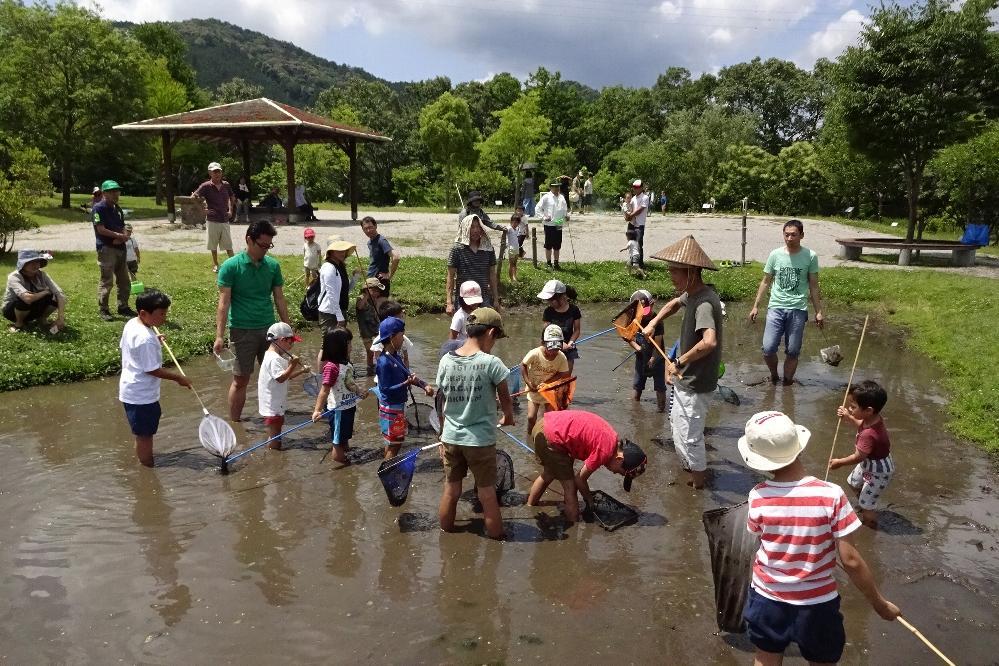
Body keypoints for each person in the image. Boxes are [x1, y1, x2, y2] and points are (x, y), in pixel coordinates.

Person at [737, 410, 901, 665]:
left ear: (758, 460)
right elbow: (851, 560)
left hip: (767, 599)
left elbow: (762, 540)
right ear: (799, 448)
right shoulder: (832, 495)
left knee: (765, 658)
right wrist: (879, 604)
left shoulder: (757, 495)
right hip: (816, 605)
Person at [642, 235, 722, 489]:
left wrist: (678, 360)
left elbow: (709, 342)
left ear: (691, 272)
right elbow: (675, 304)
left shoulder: (705, 303)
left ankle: (699, 486)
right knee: (677, 427)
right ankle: (692, 471)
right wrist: (654, 322)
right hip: (684, 378)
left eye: (674, 271)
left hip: (696, 382)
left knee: (690, 437)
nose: (671, 276)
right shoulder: (692, 294)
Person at [435, 307, 514, 540]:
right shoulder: (492, 363)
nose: (495, 343)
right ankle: (498, 538)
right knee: (487, 493)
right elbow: (505, 397)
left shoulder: (446, 361)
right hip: (479, 440)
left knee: (452, 489)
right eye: (497, 338)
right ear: (490, 333)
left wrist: (441, 434)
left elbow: (441, 399)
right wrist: (508, 417)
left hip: (450, 437)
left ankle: (445, 534)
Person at [214, 220, 292, 422]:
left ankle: (274, 417)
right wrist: (219, 336)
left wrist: (287, 329)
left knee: (277, 376)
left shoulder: (273, 266)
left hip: (270, 330)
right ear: (249, 240)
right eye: (262, 245)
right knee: (241, 380)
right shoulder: (231, 267)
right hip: (242, 330)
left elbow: (279, 298)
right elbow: (223, 303)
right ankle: (235, 424)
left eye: (269, 246)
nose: (266, 250)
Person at [528, 410, 647, 522]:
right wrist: (589, 499)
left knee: (549, 474)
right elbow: (579, 479)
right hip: (552, 437)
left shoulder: (612, 438)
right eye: (620, 472)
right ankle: (574, 527)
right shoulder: (605, 451)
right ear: (619, 459)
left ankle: (530, 506)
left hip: (546, 425)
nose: (615, 473)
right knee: (571, 487)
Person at [118, 289, 192, 466]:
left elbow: (130, 347)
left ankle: (144, 461)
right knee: (145, 435)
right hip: (141, 395)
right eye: (161, 314)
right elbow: (152, 370)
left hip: (131, 390)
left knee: (143, 433)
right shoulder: (145, 338)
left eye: (165, 313)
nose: (164, 318)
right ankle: (147, 467)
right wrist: (178, 378)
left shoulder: (133, 324)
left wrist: (154, 337)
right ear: (143, 313)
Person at [749, 219, 825, 386]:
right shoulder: (775, 255)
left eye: (794, 235)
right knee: (768, 348)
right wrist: (756, 306)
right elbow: (766, 281)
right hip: (776, 306)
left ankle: (788, 383)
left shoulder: (810, 256)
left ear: (802, 235)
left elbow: (813, 285)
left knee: (793, 350)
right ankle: (774, 376)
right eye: (787, 235)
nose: (790, 238)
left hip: (798, 308)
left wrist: (818, 311)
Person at [829, 380, 895, 528]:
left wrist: (839, 462)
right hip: (869, 464)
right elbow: (861, 424)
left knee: (867, 505)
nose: (849, 409)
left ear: (869, 410)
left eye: (853, 407)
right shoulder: (872, 419)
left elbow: (858, 457)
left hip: (879, 471)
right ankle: (866, 500)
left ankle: (870, 523)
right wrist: (849, 417)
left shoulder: (869, 434)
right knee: (852, 482)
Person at [373, 317, 433, 459]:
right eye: (402, 336)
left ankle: (387, 465)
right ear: (392, 337)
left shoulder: (396, 357)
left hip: (398, 406)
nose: (403, 340)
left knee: (393, 442)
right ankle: (388, 470)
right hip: (391, 408)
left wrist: (424, 385)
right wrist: (404, 384)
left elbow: (408, 376)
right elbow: (385, 389)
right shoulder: (383, 362)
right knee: (395, 444)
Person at [312, 327, 371, 464]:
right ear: (339, 347)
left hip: (349, 406)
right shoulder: (331, 367)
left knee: (345, 435)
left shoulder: (347, 364)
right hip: (338, 409)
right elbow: (324, 390)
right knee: (337, 440)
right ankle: (341, 460)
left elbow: (350, 383)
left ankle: (346, 452)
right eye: (348, 343)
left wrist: (359, 392)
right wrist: (317, 410)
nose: (351, 346)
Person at [257, 322, 308, 450]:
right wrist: (292, 365)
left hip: (274, 403)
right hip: (272, 406)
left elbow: (287, 376)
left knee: (276, 432)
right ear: (282, 340)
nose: (292, 346)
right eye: (291, 342)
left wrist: (301, 371)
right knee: (275, 436)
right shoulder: (274, 359)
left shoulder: (273, 356)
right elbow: (281, 378)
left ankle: (274, 453)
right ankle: (273, 456)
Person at [91, 179, 136, 321]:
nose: (116, 194)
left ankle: (123, 306)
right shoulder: (98, 208)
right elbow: (100, 229)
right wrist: (117, 236)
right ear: (104, 193)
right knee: (107, 280)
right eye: (111, 191)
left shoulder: (117, 208)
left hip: (120, 248)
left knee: (124, 280)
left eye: (117, 191)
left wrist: (125, 234)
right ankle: (104, 309)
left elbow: (122, 225)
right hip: (106, 249)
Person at [520, 324, 570, 436]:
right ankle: (530, 436)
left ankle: (546, 438)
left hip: (549, 391)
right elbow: (523, 365)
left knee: (548, 419)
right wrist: (528, 383)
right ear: (543, 343)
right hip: (534, 390)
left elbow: (563, 374)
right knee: (531, 417)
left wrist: (547, 383)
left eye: (556, 350)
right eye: (550, 349)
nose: (553, 353)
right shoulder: (535, 353)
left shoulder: (561, 357)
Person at [445, 214, 498, 314]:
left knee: (485, 326)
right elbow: (450, 276)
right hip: (464, 299)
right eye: (472, 227)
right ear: (465, 228)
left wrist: (496, 300)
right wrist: (449, 302)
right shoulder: (457, 249)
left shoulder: (488, 248)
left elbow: (492, 275)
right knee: (463, 327)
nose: (476, 230)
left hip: (483, 298)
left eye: (478, 227)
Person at [4, 250, 66, 334]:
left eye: (37, 261)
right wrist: (45, 292)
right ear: (22, 264)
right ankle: (19, 323)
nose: (35, 265)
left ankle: (41, 319)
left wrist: (60, 319)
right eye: (30, 262)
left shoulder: (42, 275)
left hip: (33, 306)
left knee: (54, 296)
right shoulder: (14, 277)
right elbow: (27, 298)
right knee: (24, 299)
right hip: (12, 311)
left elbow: (60, 294)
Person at [192, 162, 236, 273]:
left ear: (221, 172)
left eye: (219, 171)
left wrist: (230, 210)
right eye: (214, 171)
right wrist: (203, 210)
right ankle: (216, 264)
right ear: (210, 173)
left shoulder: (226, 185)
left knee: (228, 244)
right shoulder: (206, 186)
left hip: (224, 219)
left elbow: (232, 197)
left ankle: (234, 264)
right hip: (212, 219)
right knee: (213, 244)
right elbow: (193, 197)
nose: (217, 174)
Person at [629, 290, 667, 412]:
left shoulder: (656, 321)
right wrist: (637, 347)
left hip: (657, 357)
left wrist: (653, 358)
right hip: (641, 357)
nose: (645, 315)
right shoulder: (634, 320)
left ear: (652, 304)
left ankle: (661, 411)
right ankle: (635, 412)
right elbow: (628, 337)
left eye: (647, 310)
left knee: (660, 387)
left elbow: (658, 344)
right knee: (637, 386)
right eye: (641, 312)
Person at [317, 239, 361, 336]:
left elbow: (345, 290)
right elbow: (331, 293)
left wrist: (355, 277)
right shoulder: (329, 267)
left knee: (339, 344)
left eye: (344, 250)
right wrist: (339, 317)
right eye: (339, 250)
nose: (342, 253)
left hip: (340, 310)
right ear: (331, 252)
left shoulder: (340, 266)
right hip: (330, 312)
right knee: (327, 344)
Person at [539, 279, 581, 373]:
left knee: (566, 377)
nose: (550, 303)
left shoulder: (574, 310)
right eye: (548, 301)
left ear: (561, 297)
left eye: (551, 300)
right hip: (551, 349)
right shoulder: (548, 312)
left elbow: (577, 330)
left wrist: (570, 342)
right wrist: (560, 345)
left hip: (568, 350)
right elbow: (545, 333)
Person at [360, 217, 401, 296]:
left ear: (376, 226)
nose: (368, 231)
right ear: (363, 230)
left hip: (379, 282)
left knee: (379, 306)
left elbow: (396, 257)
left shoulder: (381, 241)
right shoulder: (370, 242)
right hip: (370, 280)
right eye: (365, 228)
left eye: (370, 227)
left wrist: (389, 275)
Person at [356, 277, 387, 374]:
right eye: (375, 290)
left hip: (375, 329)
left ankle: (377, 367)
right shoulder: (361, 298)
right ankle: (370, 369)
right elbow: (360, 306)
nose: (377, 293)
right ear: (367, 290)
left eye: (378, 291)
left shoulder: (374, 300)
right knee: (370, 352)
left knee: (379, 349)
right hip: (366, 331)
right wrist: (366, 295)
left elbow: (376, 313)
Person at [537, 180, 569, 270]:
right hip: (549, 223)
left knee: (557, 244)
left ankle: (556, 263)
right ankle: (548, 263)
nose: (557, 188)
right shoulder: (546, 197)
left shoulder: (562, 197)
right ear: (550, 187)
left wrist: (567, 215)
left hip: (559, 222)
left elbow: (565, 209)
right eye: (555, 186)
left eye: (558, 186)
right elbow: (538, 208)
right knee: (548, 244)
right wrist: (543, 217)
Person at [624, 179, 649, 269]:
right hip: (631, 224)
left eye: (637, 187)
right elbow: (629, 208)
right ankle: (632, 261)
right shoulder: (633, 198)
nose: (635, 189)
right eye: (634, 187)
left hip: (639, 225)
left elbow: (639, 210)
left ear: (641, 188)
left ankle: (640, 264)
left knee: (638, 244)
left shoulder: (645, 197)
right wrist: (626, 216)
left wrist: (630, 215)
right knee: (631, 243)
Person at [506, 213, 524, 282]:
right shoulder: (509, 228)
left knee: (515, 264)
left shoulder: (517, 229)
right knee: (511, 264)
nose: (515, 223)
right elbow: (504, 231)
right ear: (511, 221)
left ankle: (514, 276)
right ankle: (510, 278)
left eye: (517, 222)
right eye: (513, 221)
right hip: (511, 249)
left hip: (516, 248)